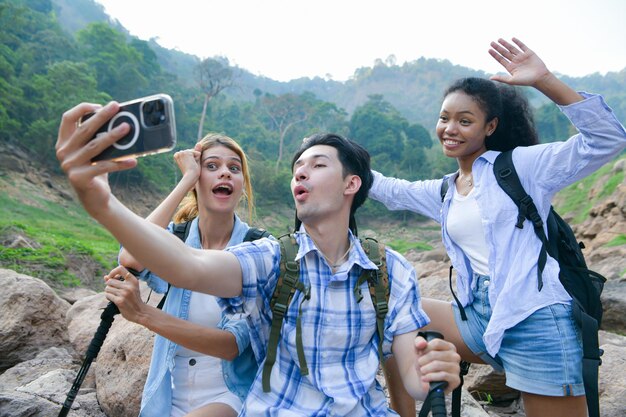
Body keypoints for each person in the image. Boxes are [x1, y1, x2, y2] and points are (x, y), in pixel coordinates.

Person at [56, 111, 462, 415]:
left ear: (351, 184)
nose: (301, 174)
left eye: (317, 165)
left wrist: (432, 375)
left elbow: (413, 379)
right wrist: (101, 202)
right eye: (296, 169)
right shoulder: (271, 258)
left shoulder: (393, 270)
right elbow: (189, 266)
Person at [368, 38, 626, 417]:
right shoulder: (446, 191)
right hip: (478, 317)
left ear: (490, 126)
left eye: (465, 120)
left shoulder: (522, 167)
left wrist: (544, 80)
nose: (450, 128)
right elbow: (390, 189)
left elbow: (607, 139)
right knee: (391, 310)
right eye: (444, 118)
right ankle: (402, 412)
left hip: (534, 320)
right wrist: (334, 155)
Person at [104, 133, 260, 417]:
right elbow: (130, 257)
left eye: (234, 168)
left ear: (241, 187)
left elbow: (232, 345)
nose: (225, 172)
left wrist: (143, 313)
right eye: (211, 166)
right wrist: (186, 180)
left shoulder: (257, 249)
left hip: (230, 393)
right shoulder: (179, 237)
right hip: (167, 392)